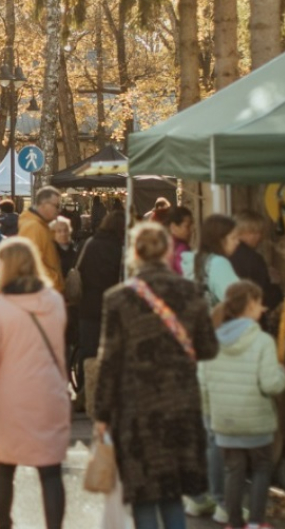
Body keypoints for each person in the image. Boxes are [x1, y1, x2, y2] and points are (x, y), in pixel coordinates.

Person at [92, 221, 219, 529]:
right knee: (172, 491)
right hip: (181, 402)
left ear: (134, 254)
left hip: (136, 406)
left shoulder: (118, 298)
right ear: (166, 252)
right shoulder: (190, 292)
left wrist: (102, 413)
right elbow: (208, 348)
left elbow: (109, 361)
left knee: (144, 493)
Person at [0, 237, 70, 529]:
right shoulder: (53, 301)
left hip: (8, 398)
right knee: (50, 471)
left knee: (4, 467)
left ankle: (4, 524)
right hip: (49, 391)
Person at [198, 281, 285, 529]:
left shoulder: (211, 340)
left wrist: (210, 417)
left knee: (232, 471)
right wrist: (282, 373)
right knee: (261, 468)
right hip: (257, 423)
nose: (263, 308)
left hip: (223, 421)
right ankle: (256, 522)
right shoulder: (263, 341)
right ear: (249, 306)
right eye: (259, 303)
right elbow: (271, 385)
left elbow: (202, 382)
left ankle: (234, 523)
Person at [76, 210, 127, 395]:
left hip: (88, 305)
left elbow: (79, 270)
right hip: (112, 306)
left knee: (87, 351)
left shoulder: (89, 243)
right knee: (111, 352)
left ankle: (85, 392)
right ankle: (106, 392)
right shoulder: (120, 249)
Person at [180, 214, 242, 307]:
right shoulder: (218, 264)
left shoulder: (195, 260)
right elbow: (238, 301)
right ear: (220, 240)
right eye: (233, 238)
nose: (237, 242)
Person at [229, 210, 282, 309]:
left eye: (260, 232)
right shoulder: (253, 259)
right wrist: (274, 283)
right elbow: (263, 298)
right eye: (255, 232)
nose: (259, 237)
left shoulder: (222, 253)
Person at [19, 187, 66, 293]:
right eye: (56, 206)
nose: (58, 210)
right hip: (44, 293)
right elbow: (31, 265)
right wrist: (54, 282)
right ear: (44, 204)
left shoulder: (41, 225)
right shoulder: (33, 227)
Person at [163, 206, 194, 275]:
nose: (191, 231)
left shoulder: (164, 245)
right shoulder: (182, 249)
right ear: (173, 227)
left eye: (192, 226)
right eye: (187, 226)